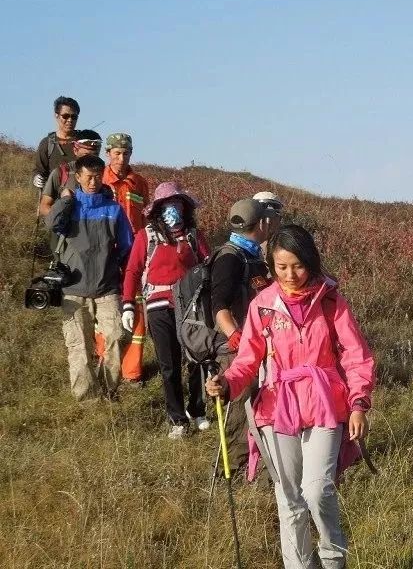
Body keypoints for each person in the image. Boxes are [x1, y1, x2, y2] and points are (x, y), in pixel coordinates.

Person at [206, 225, 376, 569]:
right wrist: (226, 383)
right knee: (289, 500)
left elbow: (356, 356)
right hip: (277, 407)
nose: (290, 275)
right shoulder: (263, 305)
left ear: (310, 261)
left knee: (317, 492)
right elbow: (248, 360)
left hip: (325, 405)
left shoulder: (330, 301)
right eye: (281, 267)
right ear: (271, 265)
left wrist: (358, 403)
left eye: (297, 265)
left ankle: (332, 559)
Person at [122, 182, 210, 439]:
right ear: (158, 209)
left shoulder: (194, 236)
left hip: (191, 304)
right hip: (158, 305)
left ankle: (198, 408)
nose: (174, 208)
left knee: (197, 358)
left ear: (185, 207)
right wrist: (128, 303)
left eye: (178, 203)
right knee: (168, 364)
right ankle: (177, 419)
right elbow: (132, 270)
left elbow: (208, 266)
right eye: (168, 204)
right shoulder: (146, 237)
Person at [45, 154, 133, 401]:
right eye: (88, 176)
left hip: (107, 288)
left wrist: (122, 274)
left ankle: (107, 390)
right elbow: (51, 223)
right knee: (79, 347)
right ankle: (87, 400)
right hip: (73, 289)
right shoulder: (71, 206)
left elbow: (127, 247)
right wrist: (64, 200)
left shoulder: (113, 209)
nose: (93, 181)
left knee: (118, 335)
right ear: (79, 177)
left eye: (97, 176)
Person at [210, 198, 277, 471]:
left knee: (254, 404)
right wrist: (237, 338)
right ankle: (232, 468)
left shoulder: (250, 256)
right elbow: (219, 306)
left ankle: (252, 461)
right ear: (261, 223)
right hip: (235, 347)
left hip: (255, 343)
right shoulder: (231, 257)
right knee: (238, 409)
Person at [95, 133, 150, 384]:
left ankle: (132, 371)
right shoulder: (98, 180)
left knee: (136, 310)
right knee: (105, 311)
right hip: (104, 254)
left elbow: (146, 219)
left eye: (126, 153)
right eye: (116, 153)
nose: (121, 158)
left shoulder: (139, 182)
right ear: (108, 154)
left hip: (134, 256)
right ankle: (104, 364)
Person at [39, 130, 105, 217]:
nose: (90, 159)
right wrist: (62, 218)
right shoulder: (62, 172)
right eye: (86, 155)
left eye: (95, 155)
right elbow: (44, 206)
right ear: (75, 150)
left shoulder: (105, 173)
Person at [32, 96, 80, 190]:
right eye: (65, 116)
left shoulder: (83, 142)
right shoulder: (47, 143)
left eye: (74, 117)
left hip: (80, 200)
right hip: (53, 200)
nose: (70, 120)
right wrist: (36, 178)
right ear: (56, 116)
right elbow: (39, 170)